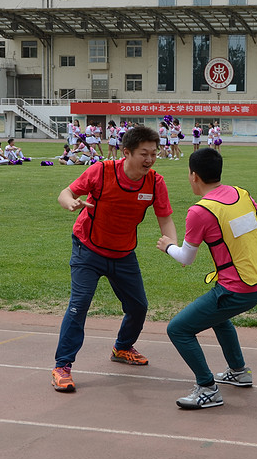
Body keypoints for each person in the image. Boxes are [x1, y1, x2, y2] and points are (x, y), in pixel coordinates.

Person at [51, 124, 176, 392]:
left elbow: (165, 218)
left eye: (154, 153)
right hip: (88, 248)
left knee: (139, 307)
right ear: (126, 152)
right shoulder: (102, 171)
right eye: (144, 153)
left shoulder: (155, 182)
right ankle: (62, 366)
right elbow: (66, 192)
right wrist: (70, 203)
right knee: (79, 304)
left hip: (123, 252)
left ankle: (122, 347)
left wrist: (173, 245)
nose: (150, 159)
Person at [156, 147, 257, 409]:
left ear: (193, 176)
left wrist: (167, 246)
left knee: (178, 329)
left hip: (236, 289)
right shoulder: (241, 193)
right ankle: (239, 371)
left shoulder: (200, 211)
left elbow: (186, 258)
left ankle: (207, 388)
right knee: (219, 319)